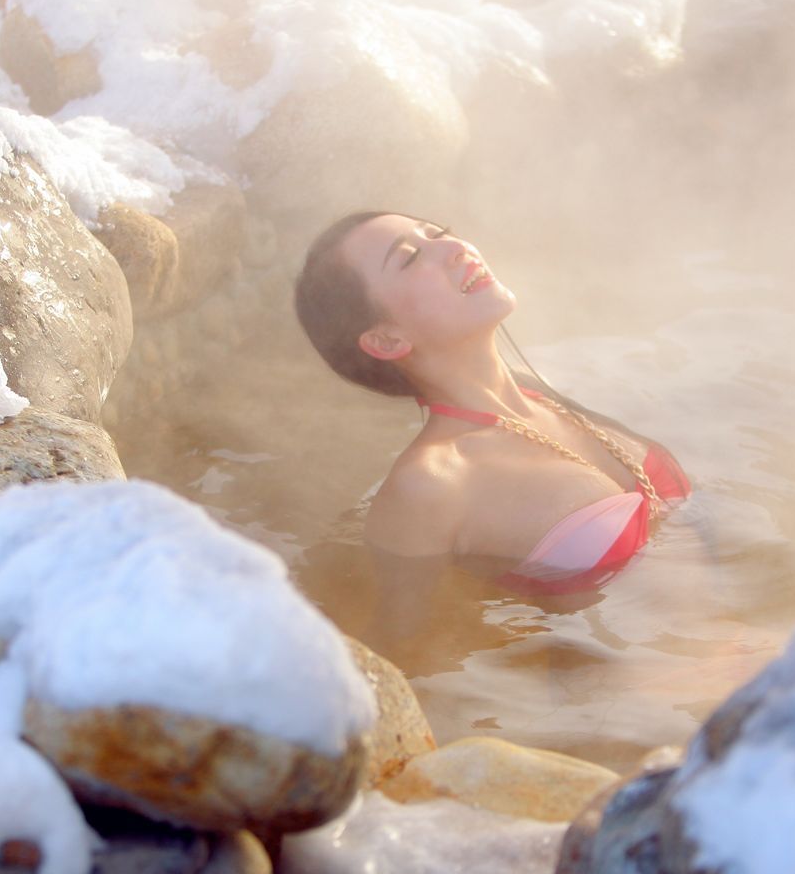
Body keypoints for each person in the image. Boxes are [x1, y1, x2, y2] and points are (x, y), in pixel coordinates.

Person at [293, 211, 691, 609]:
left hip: (740, 648)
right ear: (385, 339)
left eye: (440, 233)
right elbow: (413, 651)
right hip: (652, 669)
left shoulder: (545, 397)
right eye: (411, 257)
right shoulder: (430, 483)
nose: (454, 247)